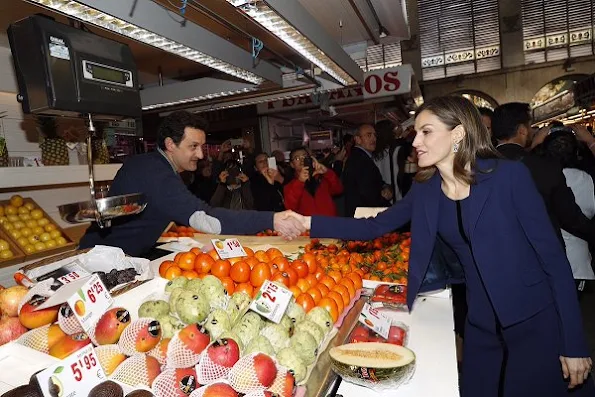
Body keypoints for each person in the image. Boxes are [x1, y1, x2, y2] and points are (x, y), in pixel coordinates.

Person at [288, 96, 594, 396]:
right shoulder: (426, 189)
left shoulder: (508, 177)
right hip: (480, 323)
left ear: (458, 133)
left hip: (533, 319)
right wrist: (306, 223)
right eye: (417, 132)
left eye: (426, 131)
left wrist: (574, 343)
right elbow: (373, 227)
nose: (416, 141)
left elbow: (554, 260)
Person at [80, 111, 304, 256]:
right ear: (170, 144)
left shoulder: (152, 165)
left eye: (202, 147)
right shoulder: (155, 172)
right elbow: (206, 219)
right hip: (99, 262)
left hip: (119, 255)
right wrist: (271, 219)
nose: (200, 154)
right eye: (193, 146)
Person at [492, 103, 595, 247]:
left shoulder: (479, 167)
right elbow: (571, 219)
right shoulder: (545, 168)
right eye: (529, 127)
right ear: (522, 130)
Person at [543, 129, 595, 296]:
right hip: (578, 262)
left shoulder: (537, 176)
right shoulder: (586, 179)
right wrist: (591, 142)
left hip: (544, 261)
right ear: (577, 152)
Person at [342, 124, 392, 217]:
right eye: (369, 135)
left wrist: (385, 186)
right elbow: (367, 194)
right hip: (364, 216)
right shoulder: (360, 160)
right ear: (358, 139)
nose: (374, 139)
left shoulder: (360, 157)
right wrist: (384, 198)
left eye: (374, 135)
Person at [284, 147, 343, 216]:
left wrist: (327, 172)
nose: (302, 160)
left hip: (330, 222)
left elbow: (338, 189)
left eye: (305, 156)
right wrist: (300, 182)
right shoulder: (289, 186)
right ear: (292, 164)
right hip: (307, 225)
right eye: (297, 158)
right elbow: (290, 207)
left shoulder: (321, 177)